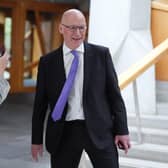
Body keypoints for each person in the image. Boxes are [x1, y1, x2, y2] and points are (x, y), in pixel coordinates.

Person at [31, 9, 131, 168]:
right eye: (72, 28)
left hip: (99, 129)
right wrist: (36, 140)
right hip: (64, 132)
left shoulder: (101, 55)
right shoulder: (47, 62)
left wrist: (122, 130)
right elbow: (40, 105)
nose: (77, 33)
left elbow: (115, 97)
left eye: (82, 27)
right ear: (61, 29)